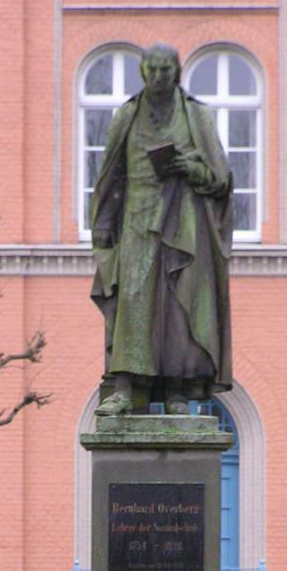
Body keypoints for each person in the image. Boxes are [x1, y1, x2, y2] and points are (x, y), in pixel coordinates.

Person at [90, 42, 233, 416]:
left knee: (178, 307)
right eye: (151, 69)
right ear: (143, 73)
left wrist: (190, 168)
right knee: (132, 304)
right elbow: (109, 176)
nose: (157, 77)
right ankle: (124, 389)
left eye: (165, 70)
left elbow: (220, 180)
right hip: (136, 223)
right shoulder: (127, 116)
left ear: (177, 72)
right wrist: (103, 225)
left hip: (183, 225)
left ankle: (176, 393)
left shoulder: (195, 117)